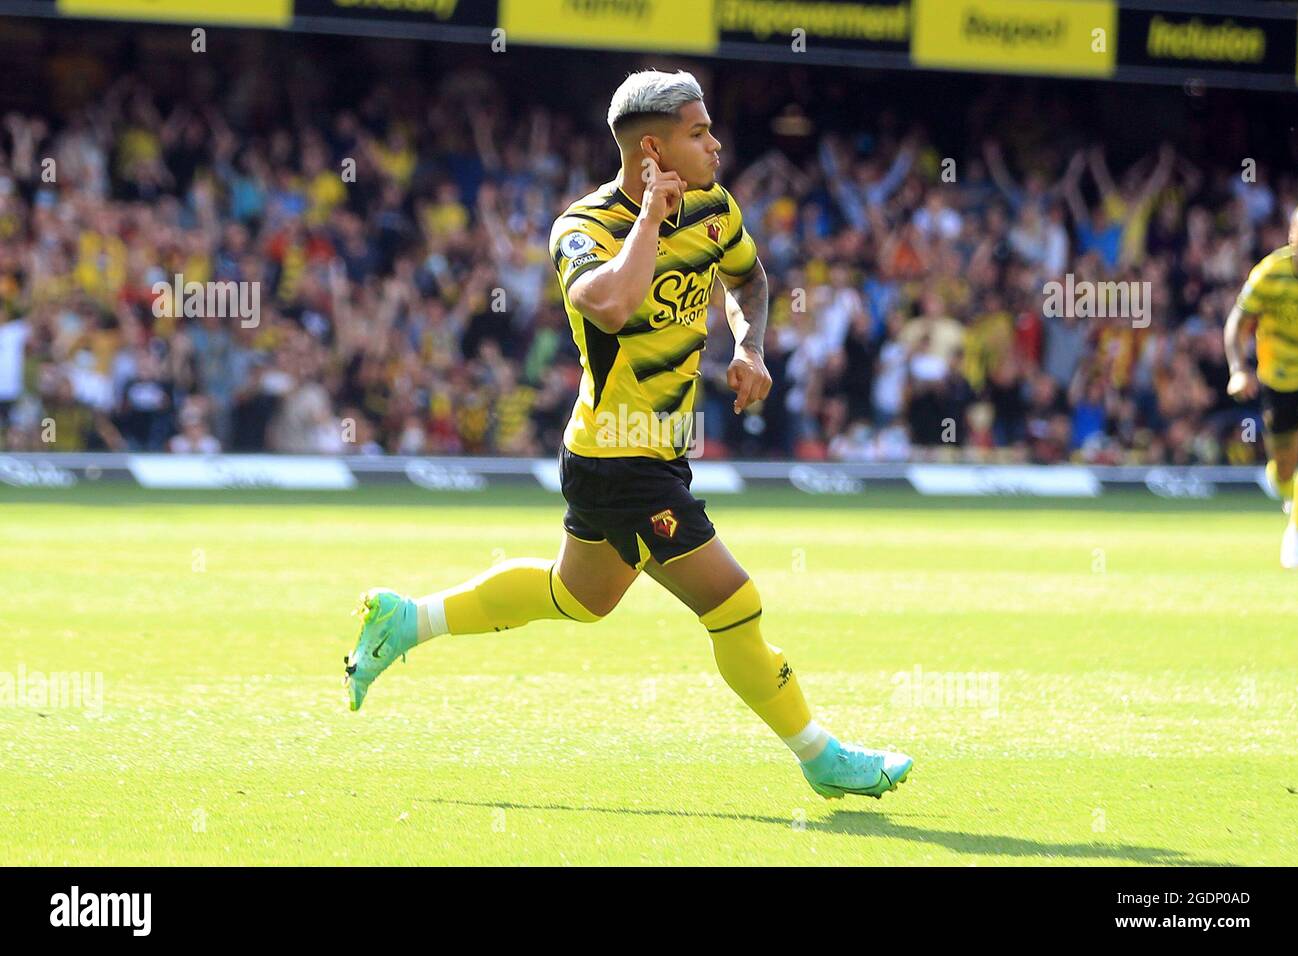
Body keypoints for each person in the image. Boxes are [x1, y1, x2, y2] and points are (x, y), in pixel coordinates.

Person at [343, 69, 913, 801]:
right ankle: (821, 757)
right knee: (734, 602)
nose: (716, 143)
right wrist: (648, 217)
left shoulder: (714, 206)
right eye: (699, 132)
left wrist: (749, 348)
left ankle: (407, 618)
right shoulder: (583, 227)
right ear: (653, 147)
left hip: (652, 455)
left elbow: (750, 281)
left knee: (579, 598)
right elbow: (609, 306)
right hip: (618, 456)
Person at [1225, 204, 1298, 567]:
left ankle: (1296, 533)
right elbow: (1236, 323)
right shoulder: (1270, 273)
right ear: (1292, 238)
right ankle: (1287, 490)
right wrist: (1238, 369)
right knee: (1284, 469)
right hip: (1279, 381)